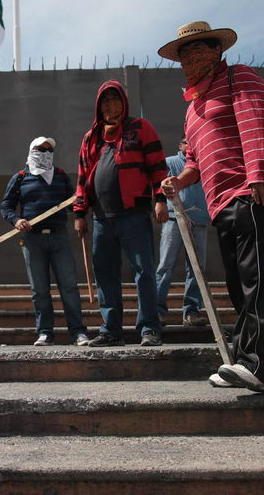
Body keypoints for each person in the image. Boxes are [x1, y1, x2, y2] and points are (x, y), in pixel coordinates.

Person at [159, 21, 264, 394]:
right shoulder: (193, 106)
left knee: (258, 283)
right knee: (239, 286)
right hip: (220, 204)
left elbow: (257, 123)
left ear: (218, 51)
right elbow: (195, 161)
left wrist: (260, 171)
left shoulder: (239, 78)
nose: (190, 59)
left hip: (254, 193)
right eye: (184, 53)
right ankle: (243, 361)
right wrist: (179, 180)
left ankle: (258, 367)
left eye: (199, 50)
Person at [73, 80, 168, 347]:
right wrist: (80, 213)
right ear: (98, 107)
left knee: (144, 272)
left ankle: (149, 328)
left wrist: (160, 199)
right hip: (102, 218)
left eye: (115, 100)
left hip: (134, 214)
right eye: (105, 101)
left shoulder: (141, 128)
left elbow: (158, 167)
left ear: (123, 103)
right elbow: (82, 177)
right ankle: (111, 330)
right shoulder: (91, 137)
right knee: (105, 274)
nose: (110, 106)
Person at [0, 136, 90, 346]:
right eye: (42, 149)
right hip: (33, 240)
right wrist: (17, 220)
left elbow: (73, 203)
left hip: (59, 237)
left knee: (69, 286)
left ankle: (78, 332)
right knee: (39, 289)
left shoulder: (60, 176)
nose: (46, 153)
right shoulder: (21, 177)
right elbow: (6, 206)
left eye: (50, 150)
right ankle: (45, 333)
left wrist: (79, 212)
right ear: (32, 150)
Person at [154, 137, 210, 327]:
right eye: (186, 142)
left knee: (197, 268)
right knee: (165, 264)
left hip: (200, 219)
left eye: (194, 142)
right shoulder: (170, 162)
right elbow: (157, 184)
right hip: (174, 218)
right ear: (180, 145)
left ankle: (191, 311)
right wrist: (159, 203)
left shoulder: (205, 164)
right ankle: (157, 310)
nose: (190, 146)